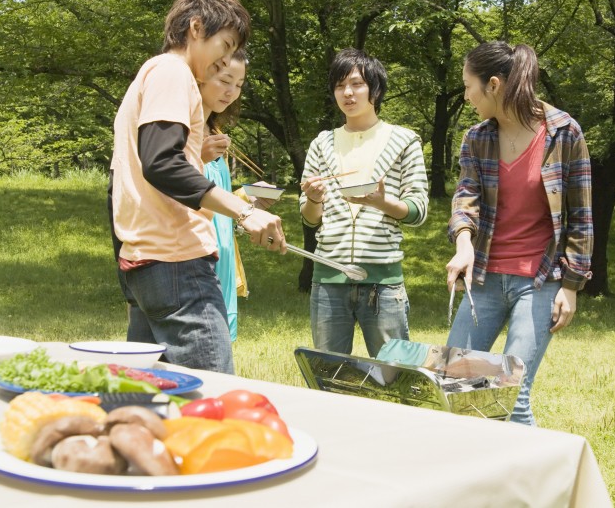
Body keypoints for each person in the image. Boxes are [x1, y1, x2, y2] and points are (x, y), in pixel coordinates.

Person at [108, 0, 286, 373]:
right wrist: (244, 211)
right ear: (195, 27)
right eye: (224, 45)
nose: (224, 60)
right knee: (212, 399)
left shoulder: (150, 76)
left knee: (142, 398)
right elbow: (162, 163)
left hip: (144, 264)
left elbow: (123, 180)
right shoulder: (172, 72)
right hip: (177, 266)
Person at [445, 40, 593, 426]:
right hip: (486, 280)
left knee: (513, 396)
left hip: (540, 281)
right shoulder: (477, 138)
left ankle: (528, 486)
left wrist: (572, 287)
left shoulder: (564, 133)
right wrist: (463, 246)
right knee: (455, 383)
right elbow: (466, 198)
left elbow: (580, 215)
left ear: (493, 84)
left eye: (467, 86)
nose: (466, 96)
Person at [299, 48, 429, 358]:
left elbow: (419, 209)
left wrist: (383, 203)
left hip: (383, 284)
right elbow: (309, 218)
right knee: (329, 377)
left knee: (394, 373)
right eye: (340, 85)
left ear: (375, 88)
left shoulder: (403, 141)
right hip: (328, 278)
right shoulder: (322, 143)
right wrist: (314, 200)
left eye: (357, 84)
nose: (348, 92)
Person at [199, 49, 276, 342]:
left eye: (239, 85)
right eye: (225, 80)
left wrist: (249, 199)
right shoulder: (181, 131)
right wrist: (197, 155)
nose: (231, 92)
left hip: (224, 252)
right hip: (194, 253)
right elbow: (169, 185)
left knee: (222, 341)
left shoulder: (215, 130)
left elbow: (214, 196)